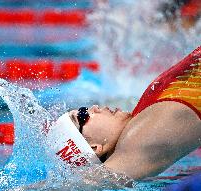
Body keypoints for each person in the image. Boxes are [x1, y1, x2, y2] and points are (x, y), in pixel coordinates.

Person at [46, 46, 201, 183]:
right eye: (82, 115)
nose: (93, 108)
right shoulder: (136, 142)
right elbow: (88, 182)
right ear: (94, 148)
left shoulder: (139, 123)